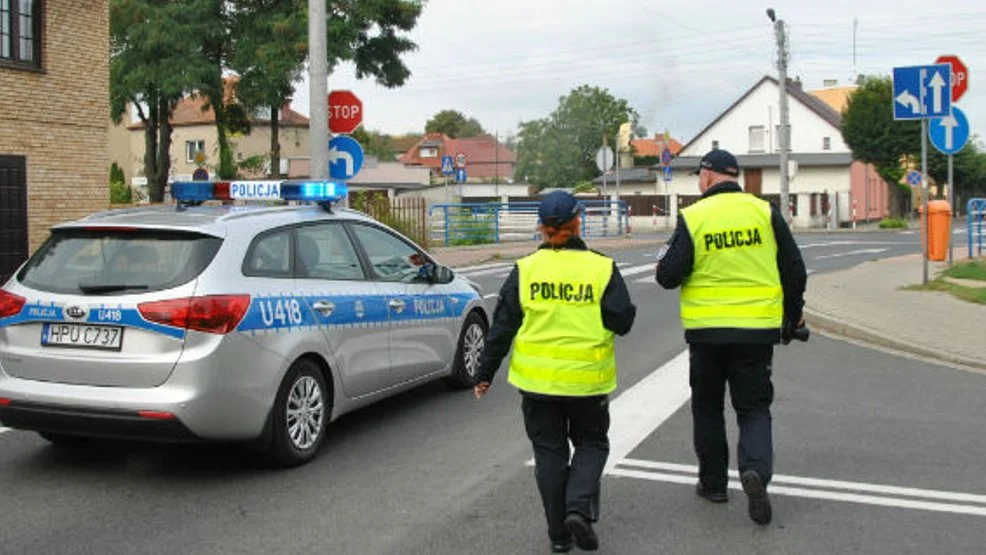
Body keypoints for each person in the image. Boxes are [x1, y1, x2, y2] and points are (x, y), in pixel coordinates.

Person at [473, 190, 636, 553]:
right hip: (586, 382)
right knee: (592, 444)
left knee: (550, 454)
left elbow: (502, 326)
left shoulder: (526, 270)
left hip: (537, 385)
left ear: (541, 229)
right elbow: (622, 321)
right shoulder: (601, 267)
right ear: (578, 223)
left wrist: (484, 373)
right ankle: (578, 508)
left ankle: (558, 537)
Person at [655, 148, 807, 526]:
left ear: (707, 175)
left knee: (707, 408)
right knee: (753, 408)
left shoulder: (694, 217)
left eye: (699, 176)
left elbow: (668, 276)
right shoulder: (763, 212)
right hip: (756, 333)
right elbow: (794, 269)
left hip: (707, 334)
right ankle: (756, 472)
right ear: (734, 176)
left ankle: (713, 484)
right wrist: (791, 316)